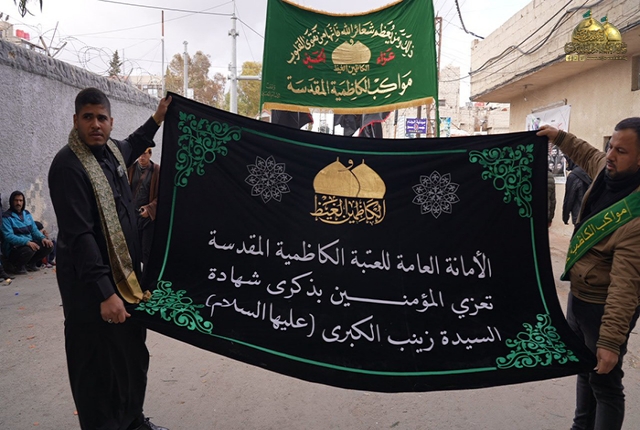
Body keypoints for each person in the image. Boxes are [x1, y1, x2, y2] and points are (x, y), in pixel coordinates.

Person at [48, 87, 171, 430]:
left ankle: (132, 420)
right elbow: (80, 236)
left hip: (126, 282)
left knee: (131, 356)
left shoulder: (114, 153)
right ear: (75, 120)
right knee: (97, 368)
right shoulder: (68, 167)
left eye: (101, 117)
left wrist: (158, 117)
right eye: (88, 117)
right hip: (91, 291)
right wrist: (105, 293)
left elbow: (135, 141)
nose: (95, 124)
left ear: (111, 121)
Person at [537, 120, 640, 430]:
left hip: (602, 308)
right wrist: (558, 136)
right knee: (584, 370)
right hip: (579, 298)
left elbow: (626, 286)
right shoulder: (606, 175)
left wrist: (609, 341)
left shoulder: (635, 215)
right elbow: (586, 153)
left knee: (606, 385)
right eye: (611, 146)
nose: (610, 155)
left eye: (621, 151)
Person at [1, 191, 54, 274]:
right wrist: (27, 242)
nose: (18, 203)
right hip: (14, 248)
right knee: (29, 249)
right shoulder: (6, 217)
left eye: (20, 200)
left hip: (28, 243)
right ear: (11, 201)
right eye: (16, 200)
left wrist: (43, 238)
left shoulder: (27, 214)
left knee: (48, 245)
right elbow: (8, 236)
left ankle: (30, 264)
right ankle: (18, 267)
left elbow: (34, 230)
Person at [127, 147, 160, 271]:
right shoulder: (131, 168)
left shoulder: (156, 170)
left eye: (144, 154)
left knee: (146, 250)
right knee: (132, 249)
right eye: (140, 154)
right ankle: (135, 276)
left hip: (147, 218)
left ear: (150, 154)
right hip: (132, 216)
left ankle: (146, 278)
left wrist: (150, 209)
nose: (142, 157)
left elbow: (162, 195)